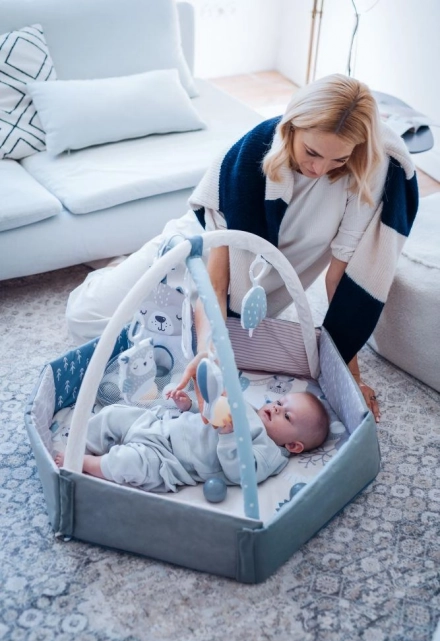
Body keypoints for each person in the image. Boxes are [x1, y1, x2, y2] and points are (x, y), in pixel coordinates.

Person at [65, 74, 419, 424]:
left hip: (254, 290)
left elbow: (339, 281)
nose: (320, 168)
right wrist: (209, 350)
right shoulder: (245, 162)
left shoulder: (362, 173)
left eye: (337, 159)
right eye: (311, 152)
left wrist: (350, 376)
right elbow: (216, 282)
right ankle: (115, 269)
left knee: (179, 363)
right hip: (197, 250)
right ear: (291, 127)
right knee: (86, 322)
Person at [54, 390, 329, 491]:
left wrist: (229, 436)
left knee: (128, 463)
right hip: (160, 425)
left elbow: (242, 473)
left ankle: (83, 462)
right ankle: (80, 442)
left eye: (287, 416)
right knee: (114, 414)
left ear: (293, 446)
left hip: (168, 461)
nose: (277, 408)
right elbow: (211, 412)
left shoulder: (269, 453)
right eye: (280, 402)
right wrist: (190, 407)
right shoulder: (248, 408)